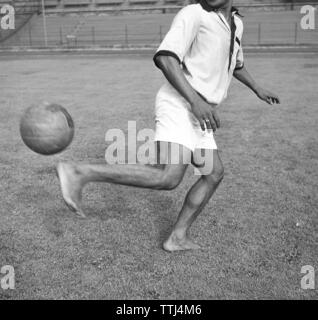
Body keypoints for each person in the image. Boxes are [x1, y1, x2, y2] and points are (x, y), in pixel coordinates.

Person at [56, 0, 280, 252]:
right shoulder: (194, 14)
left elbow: (235, 64)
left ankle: (177, 237)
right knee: (169, 176)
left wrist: (257, 88)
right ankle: (80, 173)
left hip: (201, 113)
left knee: (213, 174)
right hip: (180, 104)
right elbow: (165, 58)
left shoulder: (236, 23)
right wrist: (195, 101)